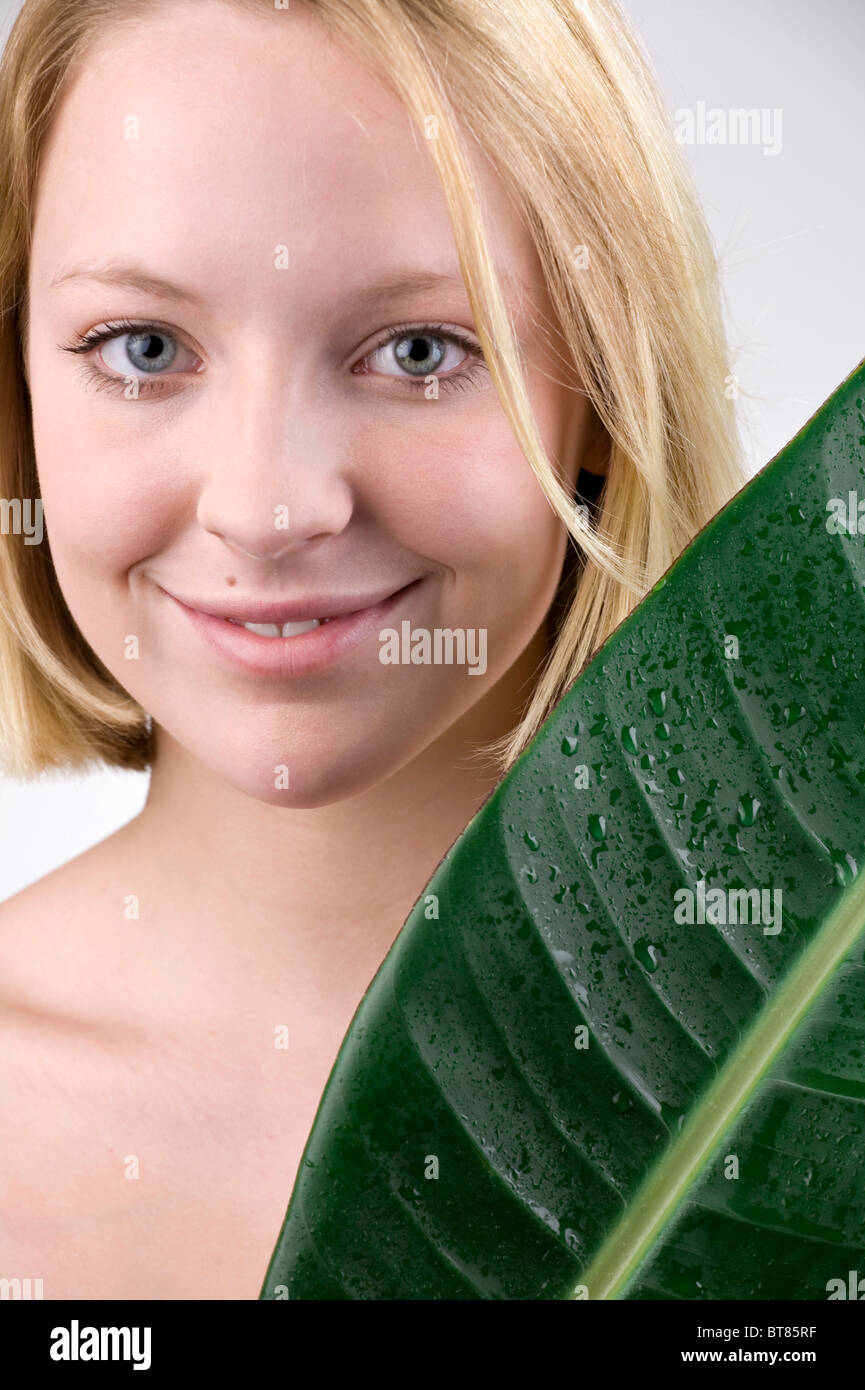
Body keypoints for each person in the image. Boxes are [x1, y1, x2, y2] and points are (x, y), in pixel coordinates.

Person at [0, 0, 742, 1298]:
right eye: (144, 348)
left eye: (415, 351)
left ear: (604, 399)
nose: (267, 506)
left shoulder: (798, 1067)